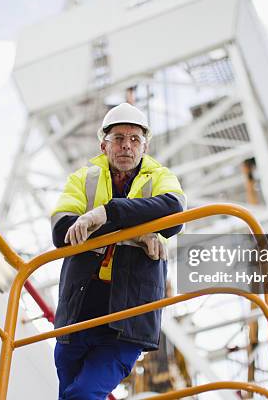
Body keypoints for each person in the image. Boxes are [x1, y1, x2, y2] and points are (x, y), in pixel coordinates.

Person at [50, 103, 186, 399]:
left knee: (83, 395)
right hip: (79, 310)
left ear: (145, 146)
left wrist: (103, 215)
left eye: (135, 139)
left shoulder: (159, 177)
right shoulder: (83, 178)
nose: (127, 146)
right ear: (104, 144)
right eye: (119, 138)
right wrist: (139, 232)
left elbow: (174, 211)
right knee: (69, 394)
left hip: (128, 317)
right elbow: (62, 231)